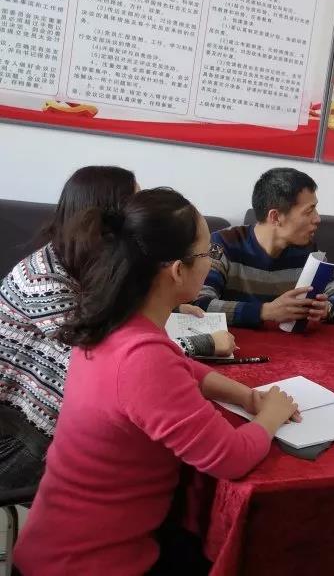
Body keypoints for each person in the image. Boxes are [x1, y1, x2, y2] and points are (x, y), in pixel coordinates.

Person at [14, 188, 299, 575]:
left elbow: (181, 366)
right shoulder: (142, 359)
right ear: (177, 270)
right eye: (208, 253)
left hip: (58, 543)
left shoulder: (115, 322)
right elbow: (229, 457)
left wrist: (245, 395)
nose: (211, 261)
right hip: (91, 563)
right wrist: (271, 416)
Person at [0, 166, 232, 491]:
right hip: (21, 437)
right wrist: (205, 343)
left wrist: (173, 302)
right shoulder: (43, 281)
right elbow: (113, 361)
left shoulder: (85, 263)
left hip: (48, 425)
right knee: (164, 469)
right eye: (135, 204)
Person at [196, 167, 334, 328]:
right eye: (309, 211)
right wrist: (265, 312)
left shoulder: (309, 252)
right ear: (275, 217)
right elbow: (198, 304)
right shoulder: (222, 244)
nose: (317, 218)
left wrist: (328, 309)